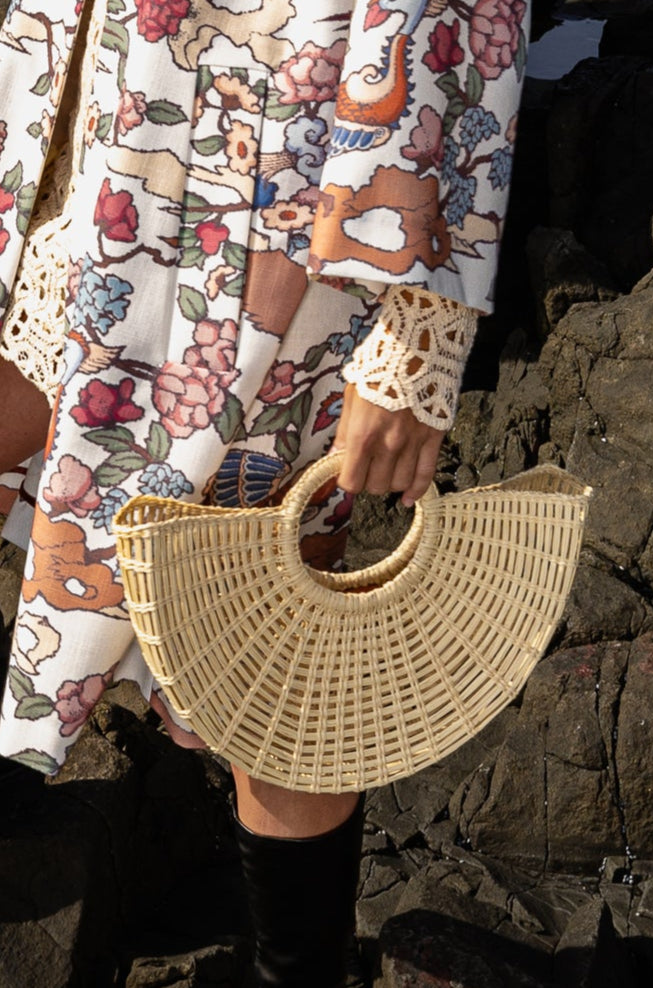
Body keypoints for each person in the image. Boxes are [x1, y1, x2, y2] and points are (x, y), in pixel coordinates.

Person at [0, 2, 531, 985]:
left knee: (268, 640)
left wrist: (419, 331)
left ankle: (298, 973)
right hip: (73, 115)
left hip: (257, 193)